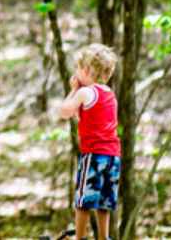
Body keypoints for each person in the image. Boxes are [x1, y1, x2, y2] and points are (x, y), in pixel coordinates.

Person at [57, 43, 122, 240]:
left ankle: (79, 237)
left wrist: (73, 90)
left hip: (93, 154)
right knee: (104, 201)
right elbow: (88, 119)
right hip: (113, 156)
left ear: (86, 70)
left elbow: (64, 112)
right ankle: (103, 237)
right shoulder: (110, 95)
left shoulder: (86, 92)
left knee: (83, 199)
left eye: (78, 68)